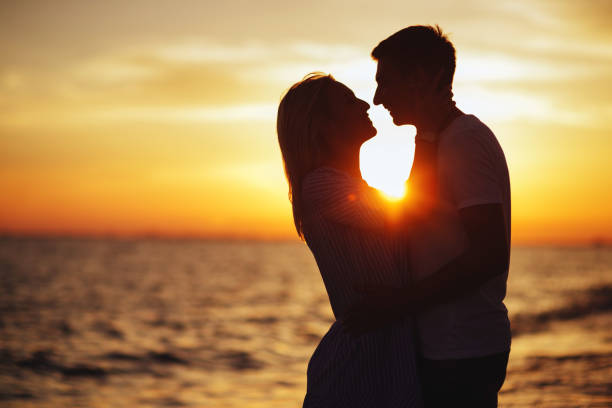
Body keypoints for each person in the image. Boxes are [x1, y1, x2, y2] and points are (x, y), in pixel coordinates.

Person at [343, 25, 512, 408]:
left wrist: (397, 303)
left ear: (420, 77)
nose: (377, 97)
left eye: (386, 82)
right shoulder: (437, 141)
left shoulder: (464, 140)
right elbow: (415, 216)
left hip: (462, 351)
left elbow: (488, 255)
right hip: (446, 347)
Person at [277, 73, 441, 407]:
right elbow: (413, 216)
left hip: (385, 366)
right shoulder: (321, 187)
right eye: (348, 101)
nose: (364, 104)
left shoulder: (355, 190)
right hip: (358, 374)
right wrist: (425, 131)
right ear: (324, 127)